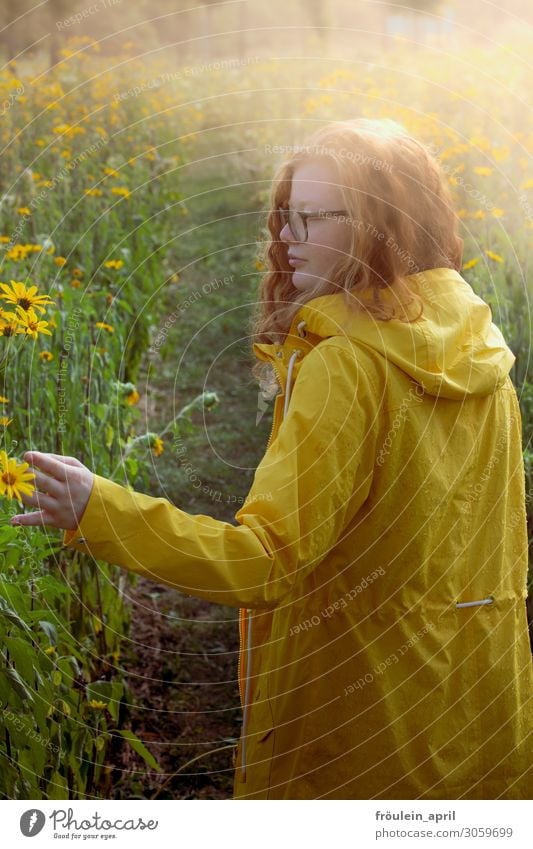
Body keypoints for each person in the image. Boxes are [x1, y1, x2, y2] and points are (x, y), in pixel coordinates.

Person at [10, 118, 531, 800]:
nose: (287, 237)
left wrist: (99, 508)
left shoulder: (345, 366)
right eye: (285, 215)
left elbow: (265, 560)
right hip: (480, 707)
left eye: (312, 216)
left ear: (381, 225)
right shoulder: (476, 342)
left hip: (356, 731)